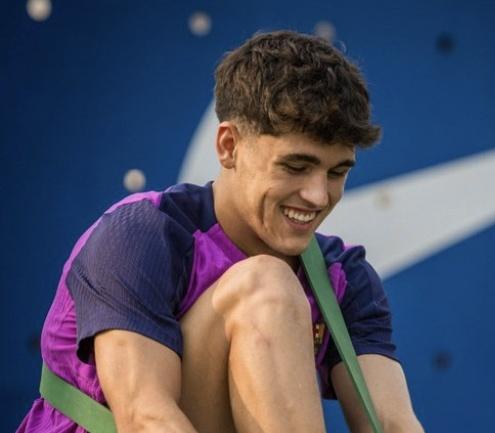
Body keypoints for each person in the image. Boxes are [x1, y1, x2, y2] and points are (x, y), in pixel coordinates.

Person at [17, 30, 424, 433]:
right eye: (296, 167)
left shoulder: (345, 277)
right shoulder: (138, 236)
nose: (318, 196)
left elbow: (392, 425)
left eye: (337, 172)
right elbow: (145, 419)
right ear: (229, 146)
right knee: (266, 286)